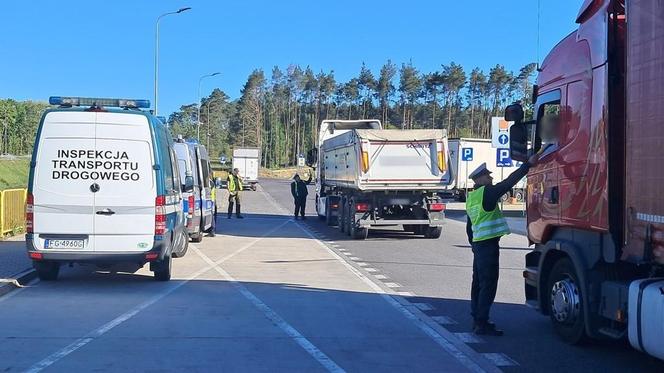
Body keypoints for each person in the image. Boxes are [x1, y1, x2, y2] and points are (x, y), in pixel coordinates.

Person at [466, 154, 538, 336]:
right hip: (488, 246)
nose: (491, 178)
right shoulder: (487, 192)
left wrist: (474, 246)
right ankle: (482, 323)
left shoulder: (472, 197)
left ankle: (477, 318)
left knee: (478, 283)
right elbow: (508, 183)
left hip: (479, 246)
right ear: (480, 179)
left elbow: (470, 227)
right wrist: (527, 165)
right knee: (488, 283)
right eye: (488, 176)